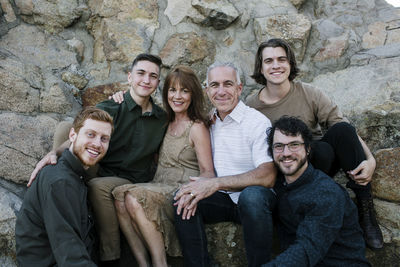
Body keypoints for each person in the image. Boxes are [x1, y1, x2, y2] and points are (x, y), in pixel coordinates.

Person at [27, 53, 168, 266]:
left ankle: (110, 257)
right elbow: (82, 133)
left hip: (130, 178)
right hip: (100, 166)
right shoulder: (112, 106)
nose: (146, 80)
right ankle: (58, 178)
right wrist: (54, 153)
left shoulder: (162, 118)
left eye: (153, 76)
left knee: (98, 186)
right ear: (130, 77)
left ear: (158, 82)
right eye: (141, 73)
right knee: (66, 128)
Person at [246, 38, 383, 249]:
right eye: (269, 61)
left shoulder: (309, 93)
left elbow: (344, 128)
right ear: (261, 68)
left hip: (318, 161)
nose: (276, 65)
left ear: (290, 64)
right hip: (284, 172)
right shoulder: (252, 106)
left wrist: (370, 159)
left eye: (282, 59)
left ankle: (366, 210)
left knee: (340, 133)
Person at [109, 66, 215, 267]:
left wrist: (194, 192)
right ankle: (143, 263)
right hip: (158, 184)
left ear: (193, 95)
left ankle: (160, 263)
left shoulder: (197, 127)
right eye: (172, 90)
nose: (177, 96)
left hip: (180, 189)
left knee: (132, 198)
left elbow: (208, 171)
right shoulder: (164, 121)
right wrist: (120, 97)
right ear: (165, 93)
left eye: (185, 91)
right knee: (119, 197)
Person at [173, 62, 277, 267]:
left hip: (258, 201)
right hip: (225, 200)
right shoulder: (209, 121)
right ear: (207, 90)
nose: (221, 91)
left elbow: (267, 176)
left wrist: (217, 183)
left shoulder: (256, 122)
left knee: (252, 196)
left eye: (227, 84)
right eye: (214, 85)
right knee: (181, 198)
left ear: (239, 88)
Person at [263, 116, 370, 266]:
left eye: (294, 145)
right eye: (279, 146)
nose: (286, 153)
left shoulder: (325, 193)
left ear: (307, 149)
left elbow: (307, 250)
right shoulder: (280, 186)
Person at [15, 107, 114, 267]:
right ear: (72, 135)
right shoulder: (60, 182)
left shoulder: (76, 175)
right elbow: (70, 255)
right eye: (91, 134)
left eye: (104, 139)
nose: (97, 144)